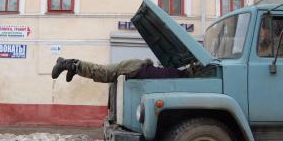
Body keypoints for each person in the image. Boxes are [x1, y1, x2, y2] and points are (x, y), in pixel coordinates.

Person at [51, 57, 206, 83]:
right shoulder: (180, 77)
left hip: (136, 68)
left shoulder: (178, 74)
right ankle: (68, 63)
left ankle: (74, 68)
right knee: (103, 72)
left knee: (102, 73)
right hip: (134, 69)